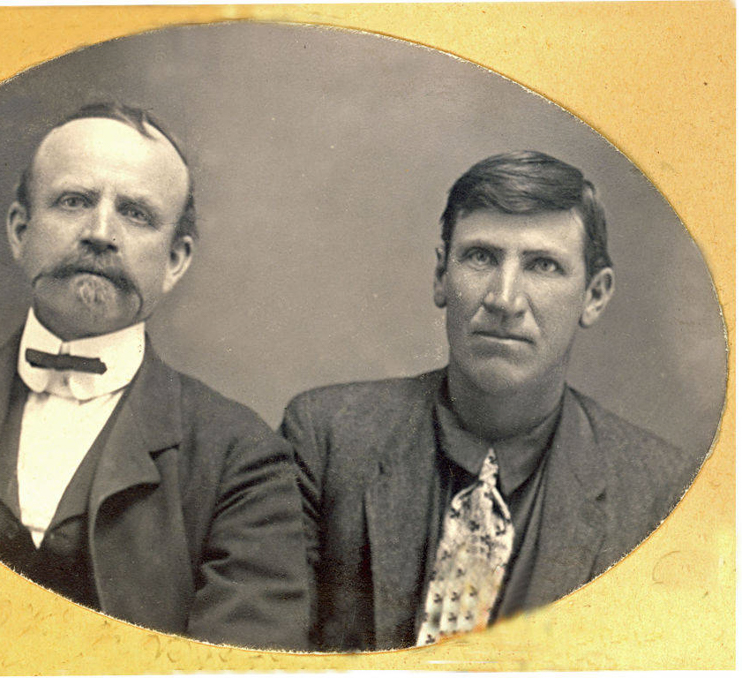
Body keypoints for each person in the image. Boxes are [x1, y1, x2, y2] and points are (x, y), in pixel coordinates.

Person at [0, 102, 309, 651]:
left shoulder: (242, 460)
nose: (100, 232)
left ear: (176, 260)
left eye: (137, 214)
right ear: (20, 230)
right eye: (74, 202)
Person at [281, 150, 699, 651]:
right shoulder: (327, 439)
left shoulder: (659, 493)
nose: (503, 298)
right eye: (481, 257)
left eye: (543, 265)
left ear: (595, 295)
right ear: (441, 276)